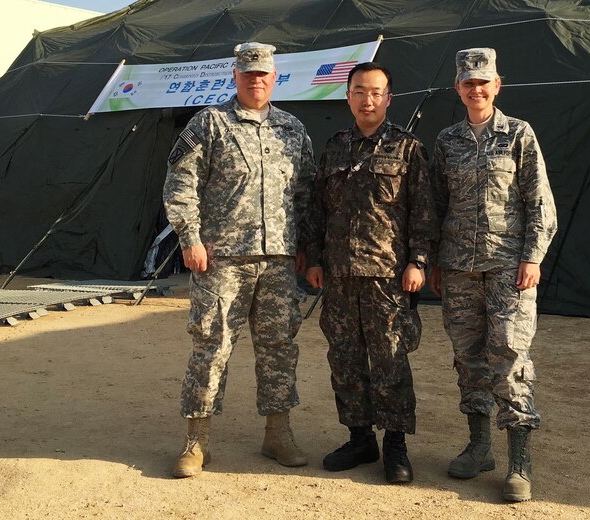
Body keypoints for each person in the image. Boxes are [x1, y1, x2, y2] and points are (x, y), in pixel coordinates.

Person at [163, 42, 315, 478]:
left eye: (263, 74)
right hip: (221, 260)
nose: (256, 80)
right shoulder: (209, 124)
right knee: (211, 348)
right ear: (235, 76)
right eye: (248, 73)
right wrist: (190, 239)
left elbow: (306, 193)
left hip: (279, 261)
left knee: (280, 348)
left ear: (274, 77)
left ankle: (278, 432)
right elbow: (180, 184)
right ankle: (197, 441)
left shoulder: (292, 129)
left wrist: (306, 246)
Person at [429, 48, 557, 501]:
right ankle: (479, 445)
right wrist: (434, 261)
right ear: (458, 88)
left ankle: (518, 463)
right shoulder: (447, 141)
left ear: (496, 86)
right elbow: (436, 207)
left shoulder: (519, 134)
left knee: (510, 357)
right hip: (459, 269)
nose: (476, 89)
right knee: (469, 359)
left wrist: (533, 257)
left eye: (484, 82)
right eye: (468, 82)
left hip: (508, 269)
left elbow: (540, 201)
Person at [305, 62, 438, 484]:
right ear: (347, 96)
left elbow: (423, 213)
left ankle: (395, 442)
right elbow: (317, 211)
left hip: (388, 278)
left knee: (391, 360)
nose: (368, 99)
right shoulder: (334, 148)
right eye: (360, 91)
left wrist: (418, 262)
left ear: (388, 99)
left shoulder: (408, 148)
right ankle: (360, 436)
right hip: (340, 277)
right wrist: (313, 259)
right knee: (344, 360)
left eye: (376, 92)